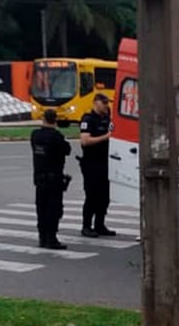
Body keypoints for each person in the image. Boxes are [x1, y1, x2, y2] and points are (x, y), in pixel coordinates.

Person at [30, 109, 71, 250]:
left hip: (39, 179)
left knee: (41, 209)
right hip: (53, 180)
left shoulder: (35, 135)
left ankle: (42, 238)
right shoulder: (56, 137)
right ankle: (51, 239)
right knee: (53, 210)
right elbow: (67, 150)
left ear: (43, 119)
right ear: (55, 120)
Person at [78, 93, 116, 238]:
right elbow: (85, 141)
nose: (106, 105)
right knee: (92, 196)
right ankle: (86, 226)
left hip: (105, 162)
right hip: (91, 163)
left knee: (104, 196)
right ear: (95, 102)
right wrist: (106, 137)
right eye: (103, 102)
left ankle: (99, 224)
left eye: (107, 103)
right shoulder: (88, 119)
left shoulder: (107, 119)